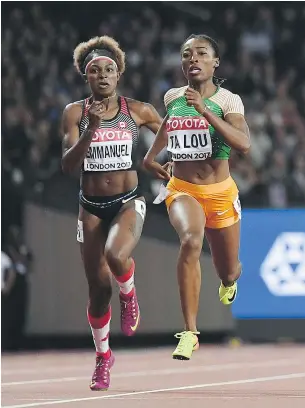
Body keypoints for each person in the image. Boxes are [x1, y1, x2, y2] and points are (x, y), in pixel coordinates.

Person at [61, 36, 163, 390]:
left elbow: (170, 132)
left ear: (119, 74)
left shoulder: (136, 110)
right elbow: (67, 165)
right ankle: (103, 357)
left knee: (116, 255)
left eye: (109, 69)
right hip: (90, 207)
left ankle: (129, 292)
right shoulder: (74, 113)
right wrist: (89, 131)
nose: (103, 75)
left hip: (127, 200)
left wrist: (159, 163)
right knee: (97, 289)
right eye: (95, 71)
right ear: (85, 77)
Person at [143, 34, 250, 361]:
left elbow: (243, 143)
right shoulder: (173, 96)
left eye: (201, 53)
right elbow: (170, 126)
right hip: (182, 189)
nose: (193, 59)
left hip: (220, 194)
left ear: (214, 62)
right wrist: (151, 156)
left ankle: (230, 279)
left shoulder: (229, 101)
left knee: (227, 270)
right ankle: (189, 332)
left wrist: (205, 111)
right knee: (190, 240)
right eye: (187, 54)